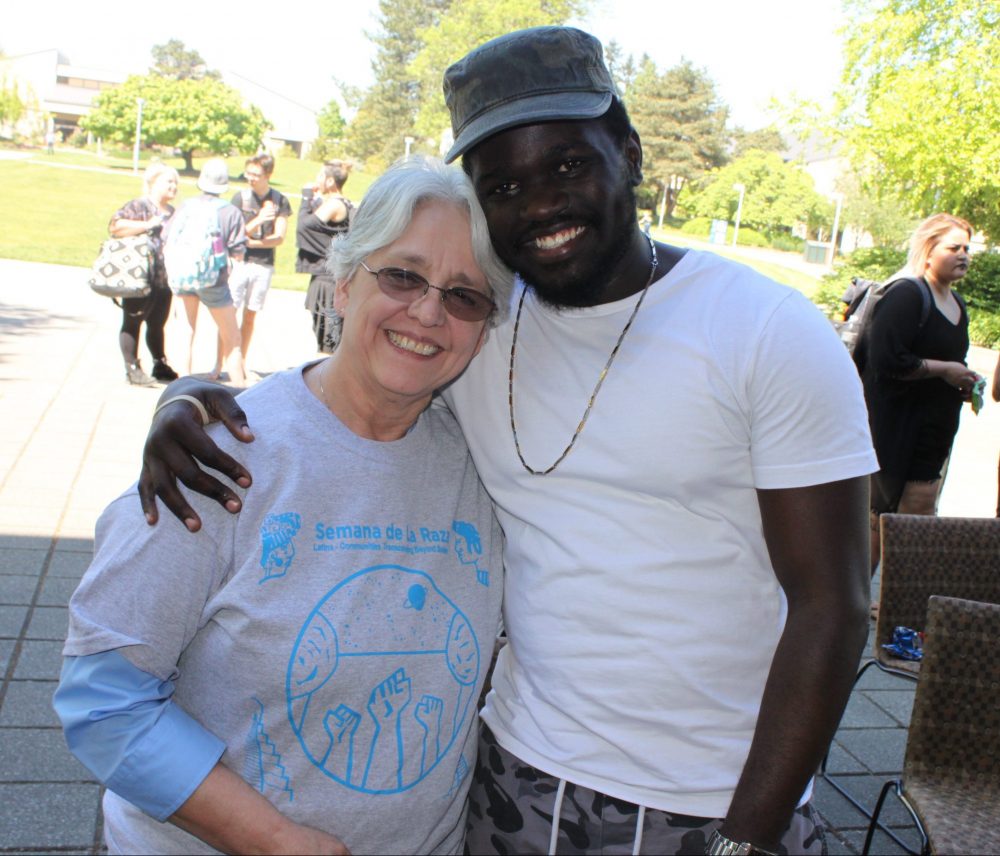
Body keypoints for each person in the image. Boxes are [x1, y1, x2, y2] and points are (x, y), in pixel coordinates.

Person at [135, 27, 876, 856]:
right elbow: (351, 382)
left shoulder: (766, 331)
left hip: (710, 800)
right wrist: (191, 397)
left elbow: (836, 605)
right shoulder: (479, 325)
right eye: (503, 186)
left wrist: (751, 839)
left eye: (567, 165)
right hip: (513, 775)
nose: (540, 206)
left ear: (628, 151)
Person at [54, 156, 512, 855]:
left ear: (485, 327)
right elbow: (104, 701)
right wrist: (271, 839)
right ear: (346, 278)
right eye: (403, 276)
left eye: (465, 296)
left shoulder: (484, 464)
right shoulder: (220, 457)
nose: (428, 312)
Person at [856, 214, 982, 570]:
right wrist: (944, 370)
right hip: (894, 428)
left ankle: (896, 606)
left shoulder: (958, 305)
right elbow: (886, 360)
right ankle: (856, 600)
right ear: (929, 252)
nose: (963, 255)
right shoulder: (907, 295)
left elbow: (950, 360)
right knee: (878, 520)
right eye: (953, 247)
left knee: (919, 515)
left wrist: (964, 380)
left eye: (967, 249)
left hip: (934, 430)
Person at [165, 158, 248, 388]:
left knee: (186, 330)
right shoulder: (230, 212)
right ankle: (240, 390)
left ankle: (182, 386)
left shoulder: (186, 206)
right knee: (232, 337)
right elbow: (238, 250)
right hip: (214, 281)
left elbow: (167, 236)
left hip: (182, 277)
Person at [108, 161, 181, 386]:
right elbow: (115, 227)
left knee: (158, 323)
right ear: (153, 182)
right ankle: (132, 368)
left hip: (164, 278)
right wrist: (148, 224)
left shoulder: (174, 213)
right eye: (169, 181)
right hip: (139, 277)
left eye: (176, 182)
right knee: (133, 321)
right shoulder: (139, 206)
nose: (174, 186)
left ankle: (160, 363)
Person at [221, 153, 293, 373]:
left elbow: (279, 237)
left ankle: (241, 360)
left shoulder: (279, 200)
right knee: (228, 313)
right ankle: (226, 359)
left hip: (263, 265)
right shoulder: (240, 198)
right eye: (248, 173)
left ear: (268, 175)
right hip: (240, 263)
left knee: (250, 315)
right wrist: (260, 219)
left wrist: (253, 241)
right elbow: (235, 234)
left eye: (256, 174)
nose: (251, 178)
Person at [297, 160, 354, 353]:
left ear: (330, 181)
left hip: (328, 279)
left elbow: (305, 225)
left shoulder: (335, 204)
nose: (316, 179)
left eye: (320, 175)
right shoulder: (336, 203)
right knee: (325, 337)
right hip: (327, 276)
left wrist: (306, 197)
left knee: (328, 340)